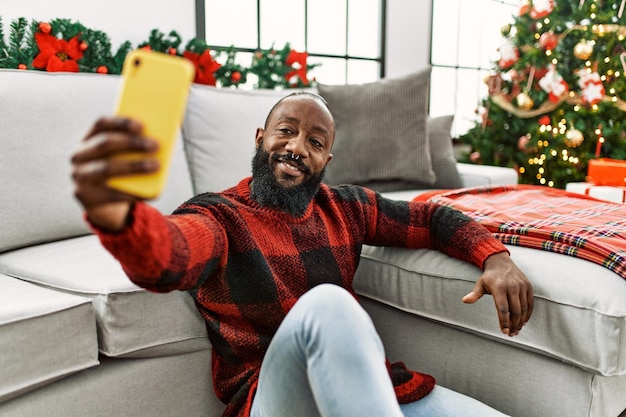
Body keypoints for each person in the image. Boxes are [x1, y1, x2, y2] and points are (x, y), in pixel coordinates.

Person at [71, 91, 533, 417]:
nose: (296, 148)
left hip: (370, 392)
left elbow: (430, 219)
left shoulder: (346, 207)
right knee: (328, 303)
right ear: (260, 138)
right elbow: (171, 256)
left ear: (327, 160)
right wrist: (124, 220)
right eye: (285, 132)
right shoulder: (219, 215)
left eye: (314, 142)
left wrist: (496, 258)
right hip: (272, 402)